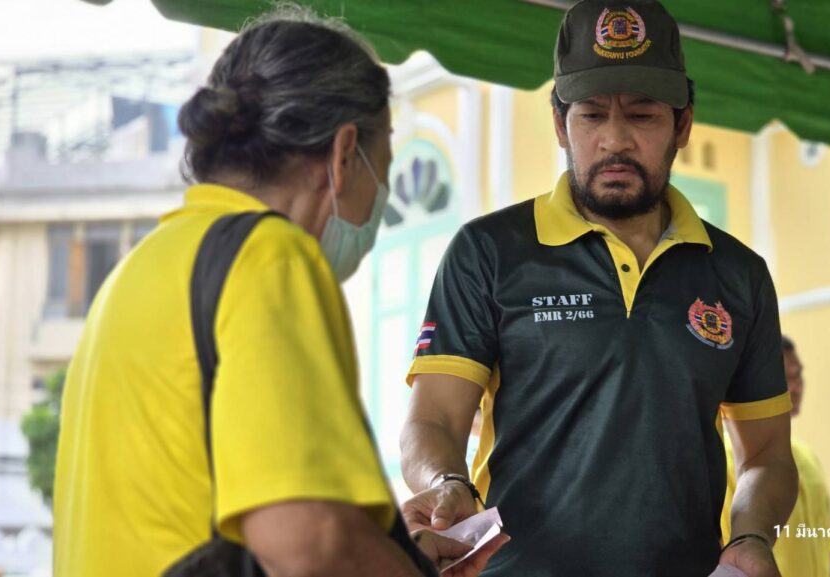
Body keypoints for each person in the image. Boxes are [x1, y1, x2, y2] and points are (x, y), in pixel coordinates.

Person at [52, 9, 506, 577]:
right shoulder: (269, 256)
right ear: (344, 155)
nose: (379, 202)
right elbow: (307, 542)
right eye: (383, 169)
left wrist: (395, 553)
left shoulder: (141, 266)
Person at [399, 1, 798, 576]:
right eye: (591, 115)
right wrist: (446, 482)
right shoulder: (490, 251)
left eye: (642, 115)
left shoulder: (738, 274)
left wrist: (753, 534)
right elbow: (433, 418)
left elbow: (766, 455)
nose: (615, 140)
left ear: (683, 125)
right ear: (560, 124)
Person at [722, 336, 830, 577]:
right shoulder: (728, 459)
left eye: (797, 375)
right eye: (784, 379)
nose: (795, 387)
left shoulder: (806, 457)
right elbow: (727, 550)